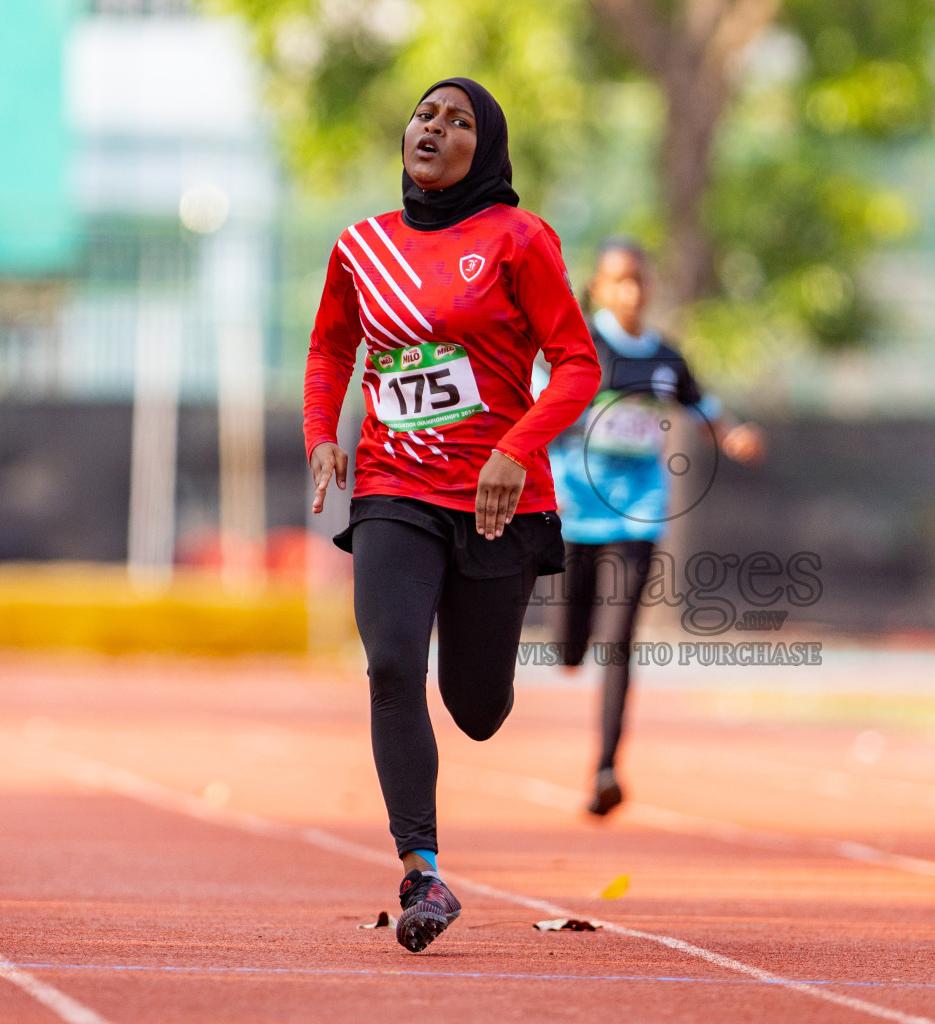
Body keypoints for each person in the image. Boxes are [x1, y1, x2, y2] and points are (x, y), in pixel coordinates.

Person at [303, 78, 601, 952]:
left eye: (459, 121)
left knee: (477, 707)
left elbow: (577, 365)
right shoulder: (362, 247)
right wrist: (325, 434)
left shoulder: (519, 239)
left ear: (488, 149)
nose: (434, 128)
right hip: (394, 488)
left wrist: (516, 448)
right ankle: (421, 870)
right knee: (392, 663)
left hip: (498, 500)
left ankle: (481, 686)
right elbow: (331, 350)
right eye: (426, 114)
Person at [546, 238, 765, 816]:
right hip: (576, 513)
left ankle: (607, 767)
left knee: (618, 641)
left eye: (639, 281)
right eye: (619, 281)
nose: (631, 292)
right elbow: (539, 411)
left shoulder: (666, 359)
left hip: (636, 514)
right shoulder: (578, 349)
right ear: (597, 288)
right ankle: (569, 648)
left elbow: (705, 408)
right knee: (570, 649)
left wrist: (735, 434)